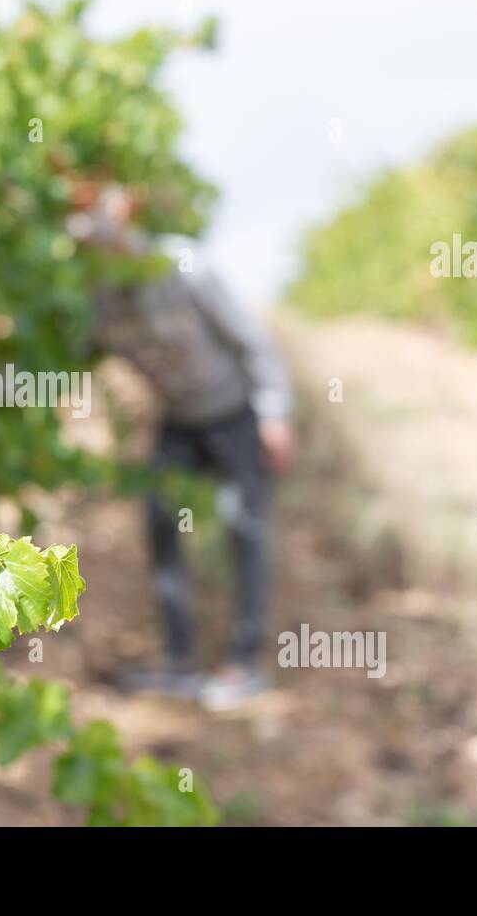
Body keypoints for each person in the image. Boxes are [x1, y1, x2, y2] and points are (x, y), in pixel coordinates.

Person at [68, 185, 296, 711]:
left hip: (235, 413)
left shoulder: (184, 265)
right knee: (159, 518)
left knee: (245, 526)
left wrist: (275, 415)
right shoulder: (98, 299)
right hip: (178, 420)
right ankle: (180, 658)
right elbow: (73, 355)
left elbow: (252, 341)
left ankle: (245, 661)